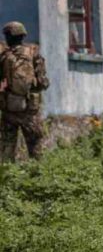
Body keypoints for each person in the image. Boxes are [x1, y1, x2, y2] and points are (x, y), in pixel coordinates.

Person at [0, 21, 50, 162]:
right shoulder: (33, 53)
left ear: (9, 36)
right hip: (30, 110)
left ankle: (7, 178)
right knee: (36, 147)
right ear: (22, 36)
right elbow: (42, 82)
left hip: (9, 109)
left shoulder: (4, 56)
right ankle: (39, 177)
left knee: (7, 147)